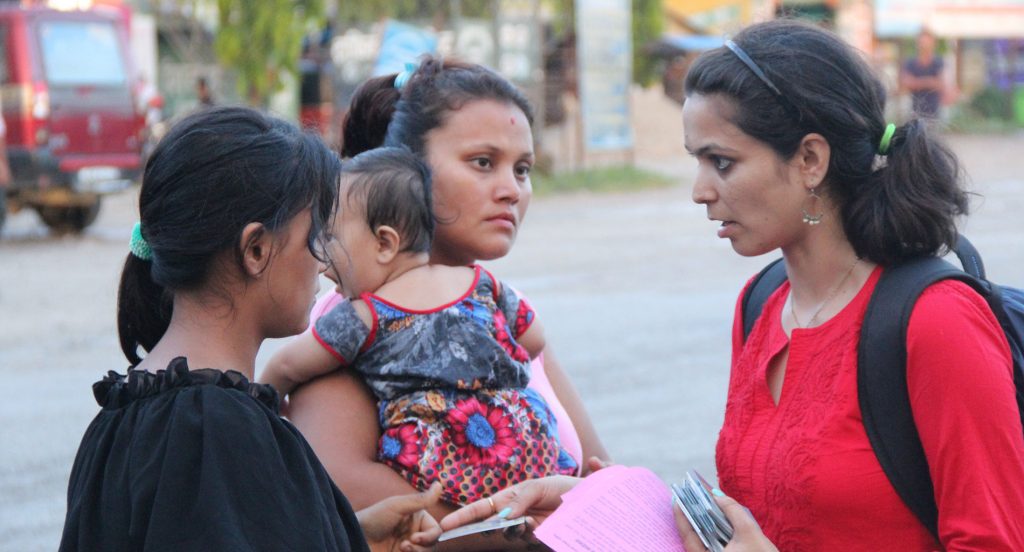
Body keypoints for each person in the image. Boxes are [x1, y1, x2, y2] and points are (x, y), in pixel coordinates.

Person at [682, 19, 1024, 550]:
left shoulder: (937, 320)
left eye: (721, 162)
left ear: (810, 160)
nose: (700, 191)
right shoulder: (761, 305)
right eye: (697, 161)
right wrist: (601, 499)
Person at [59, 106, 443, 552]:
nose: (322, 260)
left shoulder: (116, 419)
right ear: (256, 249)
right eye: (313, 235)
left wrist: (349, 534)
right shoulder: (220, 432)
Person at [283, 56, 609, 545]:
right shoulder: (356, 322)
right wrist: (545, 524)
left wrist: (590, 504)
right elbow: (348, 489)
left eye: (523, 169)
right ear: (407, 171)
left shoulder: (499, 313)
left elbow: (598, 472)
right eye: (483, 162)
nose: (511, 191)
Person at [261, 146, 578, 506]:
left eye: (331, 238)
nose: (323, 259)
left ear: (384, 243)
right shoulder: (483, 283)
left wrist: (264, 398)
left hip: (447, 468)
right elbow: (534, 341)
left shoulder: (366, 314)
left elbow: (288, 364)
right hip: (528, 447)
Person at [900, 28, 947, 119]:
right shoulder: (910, 62)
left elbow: (942, 84)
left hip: (934, 112)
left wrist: (917, 82)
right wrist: (931, 81)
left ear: (934, 43)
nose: (924, 45)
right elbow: (906, 84)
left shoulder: (939, 62)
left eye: (927, 42)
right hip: (915, 111)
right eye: (922, 42)